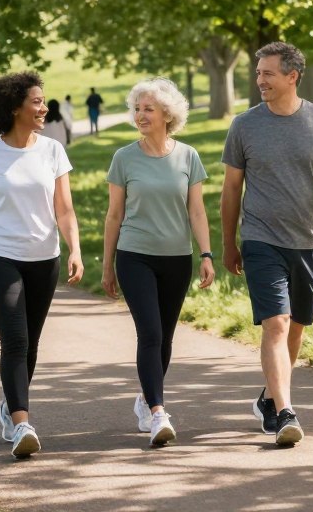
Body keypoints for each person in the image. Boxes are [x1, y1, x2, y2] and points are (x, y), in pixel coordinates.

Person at [220, 42, 313, 447]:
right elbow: (230, 190)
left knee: (296, 327)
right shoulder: (244, 125)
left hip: (308, 241)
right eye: (258, 73)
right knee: (275, 324)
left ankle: (269, 400)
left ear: (292, 76)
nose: (260, 80)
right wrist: (228, 242)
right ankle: (286, 412)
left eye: (267, 74)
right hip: (261, 238)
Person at [0, 71, 82, 459]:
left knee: (30, 344)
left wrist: (74, 249)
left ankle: (10, 406)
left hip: (44, 257)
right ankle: (22, 421)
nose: (44, 108)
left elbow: (64, 209)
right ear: (14, 108)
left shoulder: (52, 150)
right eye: (37, 102)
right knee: (15, 340)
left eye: (43, 101)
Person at [102, 78, 214, 447]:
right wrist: (107, 265)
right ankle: (157, 413)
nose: (140, 115)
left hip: (177, 259)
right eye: (137, 108)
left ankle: (146, 398)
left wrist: (206, 254)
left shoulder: (188, 157)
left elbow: (196, 211)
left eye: (148, 109)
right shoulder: (124, 158)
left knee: (164, 337)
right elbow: (114, 215)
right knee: (149, 333)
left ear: (168, 114)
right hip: (135, 256)